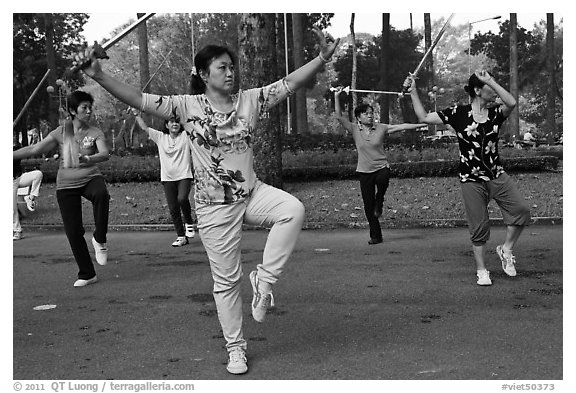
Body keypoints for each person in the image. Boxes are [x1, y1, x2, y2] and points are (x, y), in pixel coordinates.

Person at [73, 27, 339, 375]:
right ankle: (236, 349)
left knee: (292, 209)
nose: (230, 73)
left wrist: (322, 58)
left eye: (232, 67)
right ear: (203, 74)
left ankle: (264, 279)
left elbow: (288, 84)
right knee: (226, 283)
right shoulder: (185, 107)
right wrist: (98, 75)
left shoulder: (250, 100)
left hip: (252, 193)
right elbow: (138, 98)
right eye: (222, 68)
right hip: (214, 209)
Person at [404, 71, 531, 286]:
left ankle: (506, 249)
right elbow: (424, 117)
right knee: (479, 226)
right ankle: (482, 270)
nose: (494, 91)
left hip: (496, 175)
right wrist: (413, 91)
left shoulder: (495, 114)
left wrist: (490, 80)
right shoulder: (458, 113)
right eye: (489, 88)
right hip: (471, 179)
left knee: (521, 211)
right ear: (477, 91)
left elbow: (512, 101)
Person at [13, 90, 111, 288]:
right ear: (73, 111)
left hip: (91, 177)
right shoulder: (61, 132)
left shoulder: (95, 132)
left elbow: (105, 154)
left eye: (90, 107)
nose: (89, 111)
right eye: (84, 107)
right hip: (66, 184)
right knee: (73, 231)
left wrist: (88, 158)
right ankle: (87, 273)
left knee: (101, 193)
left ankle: (100, 239)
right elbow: (34, 149)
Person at [333, 87, 426, 244]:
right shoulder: (354, 129)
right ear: (358, 118)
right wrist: (336, 96)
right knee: (369, 207)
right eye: (366, 114)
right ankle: (376, 235)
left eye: (371, 113)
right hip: (364, 171)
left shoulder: (381, 128)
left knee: (383, 180)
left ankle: (380, 198)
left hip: (382, 167)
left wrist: (422, 124)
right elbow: (339, 117)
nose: (370, 116)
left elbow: (401, 126)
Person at [135, 114, 196, 247]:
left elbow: (194, 124)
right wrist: (136, 114)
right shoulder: (160, 137)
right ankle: (181, 237)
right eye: (172, 122)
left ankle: (189, 223)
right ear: (167, 125)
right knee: (173, 208)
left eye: (177, 122)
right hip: (168, 178)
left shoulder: (185, 136)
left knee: (182, 199)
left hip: (184, 176)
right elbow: (145, 128)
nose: (175, 124)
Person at [13, 137, 44, 240]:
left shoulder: (16, 148)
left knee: (38, 174)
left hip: (19, 178)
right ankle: (17, 231)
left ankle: (30, 197)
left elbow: (29, 149)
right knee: (11, 209)